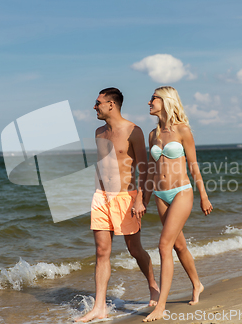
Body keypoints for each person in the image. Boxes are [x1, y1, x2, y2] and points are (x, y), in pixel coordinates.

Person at [76, 87, 160, 322]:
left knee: (135, 249)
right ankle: (99, 307)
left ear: (111, 104)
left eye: (98, 102)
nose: (95, 106)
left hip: (126, 197)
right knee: (102, 251)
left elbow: (145, 168)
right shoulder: (99, 133)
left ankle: (153, 285)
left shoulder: (133, 131)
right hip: (101, 197)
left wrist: (140, 199)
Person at [142, 86, 213, 322]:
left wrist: (203, 195)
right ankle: (197, 284)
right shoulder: (152, 135)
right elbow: (152, 171)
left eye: (154, 98)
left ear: (166, 101)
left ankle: (161, 306)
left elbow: (193, 165)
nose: (149, 102)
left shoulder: (182, 130)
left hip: (182, 192)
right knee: (178, 246)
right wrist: (144, 200)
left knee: (164, 245)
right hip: (161, 196)